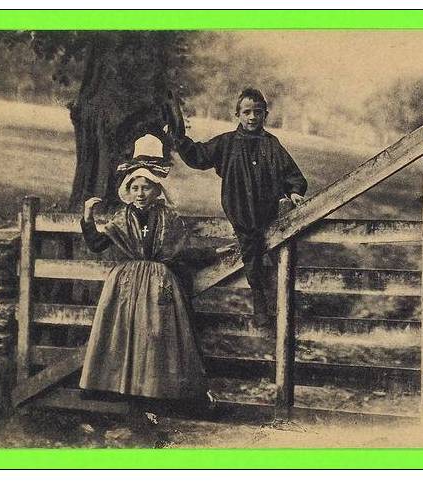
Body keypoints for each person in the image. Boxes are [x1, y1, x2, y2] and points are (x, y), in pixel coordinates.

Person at [78, 135, 218, 413]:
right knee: (124, 332)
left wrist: (212, 254)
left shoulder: (167, 218)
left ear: (158, 191)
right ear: (128, 190)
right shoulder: (121, 217)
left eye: (147, 188)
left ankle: (157, 391)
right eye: (135, 187)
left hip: (159, 284)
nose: (141, 193)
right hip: (126, 285)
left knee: (156, 335)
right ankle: (123, 389)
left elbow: (179, 251)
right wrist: (87, 216)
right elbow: (96, 244)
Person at [168, 87, 308, 327]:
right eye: (246, 112)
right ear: (237, 115)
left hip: (269, 211)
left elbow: (291, 173)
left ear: (265, 114)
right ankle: (259, 300)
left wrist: (295, 191)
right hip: (241, 208)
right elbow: (198, 156)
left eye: (257, 112)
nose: (252, 117)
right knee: (250, 248)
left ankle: (292, 299)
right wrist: (179, 139)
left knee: (280, 253)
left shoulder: (272, 144)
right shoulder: (227, 142)